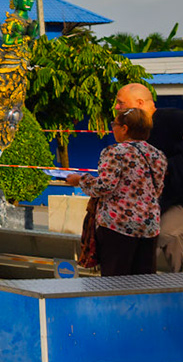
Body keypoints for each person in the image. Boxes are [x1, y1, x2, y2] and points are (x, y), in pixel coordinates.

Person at [114, 82, 183, 271]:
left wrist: (169, 168)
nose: (117, 107)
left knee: (150, 239)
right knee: (179, 256)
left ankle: (130, 285)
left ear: (139, 103)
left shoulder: (173, 118)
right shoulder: (141, 130)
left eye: (121, 102)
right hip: (172, 198)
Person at [72, 107, 168, 276]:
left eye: (114, 124)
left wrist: (80, 180)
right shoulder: (157, 155)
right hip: (149, 226)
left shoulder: (115, 152)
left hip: (117, 226)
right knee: (144, 280)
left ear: (125, 128)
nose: (113, 128)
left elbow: (104, 186)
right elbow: (157, 189)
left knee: (115, 280)